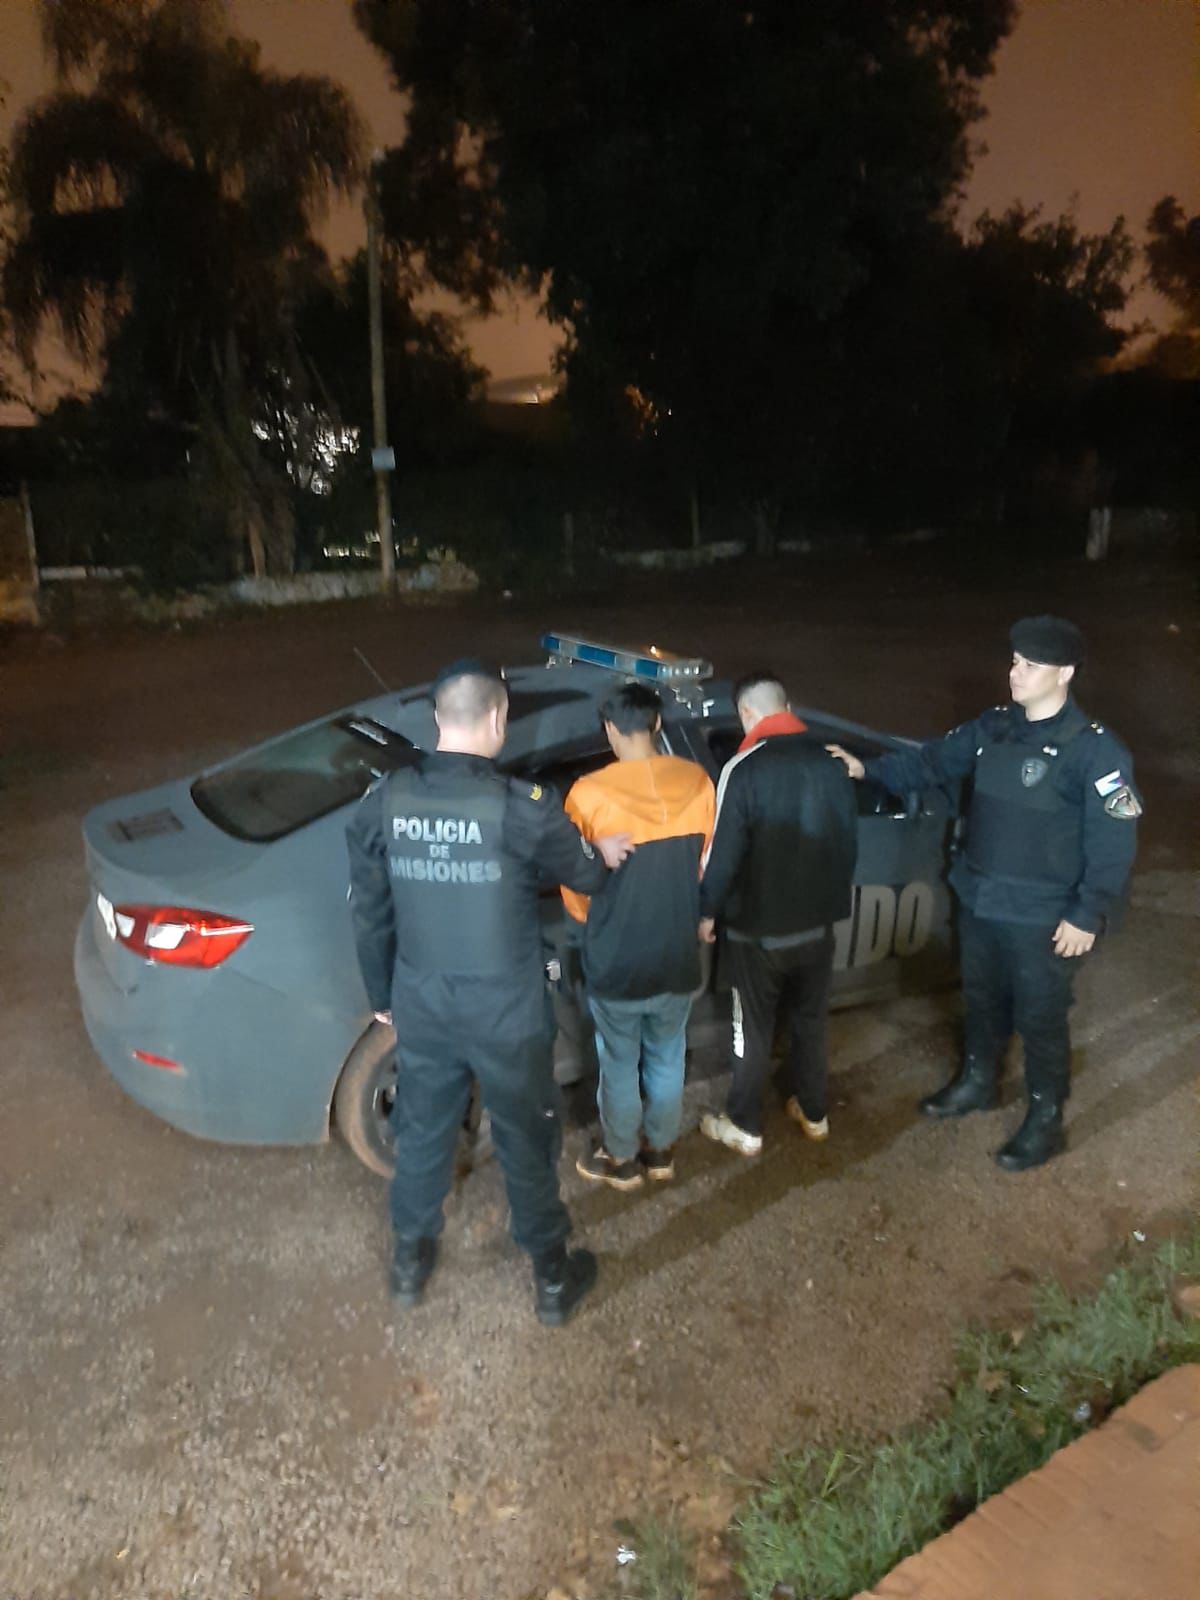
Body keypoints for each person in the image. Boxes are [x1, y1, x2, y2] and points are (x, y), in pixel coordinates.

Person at [345, 658, 632, 1325]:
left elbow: (369, 909)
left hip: (424, 1002)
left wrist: (382, 993)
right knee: (526, 1136)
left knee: (423, 1128)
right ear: (498, 718)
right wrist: (603, 852)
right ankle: (552, 1280)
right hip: (506, 1011)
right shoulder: (521, 808)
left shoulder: (387, 800)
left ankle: (410, 1262)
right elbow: (586, 876)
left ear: (437, 719)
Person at [828, 616, 1141, 1172]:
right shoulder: (993, 728)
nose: (1015, 673)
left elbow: (1114, 842)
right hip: (982, 899)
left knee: (1041, 1015)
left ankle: (1045, 1119)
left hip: (1043, 916)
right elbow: (931, 762)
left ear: (1065, 673)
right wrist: (866, 770)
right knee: (982, 998)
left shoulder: (1095, 752)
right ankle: (978, 1081)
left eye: (1031, 665)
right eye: (1015, 661)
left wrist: (1087, 912)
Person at [561, 683, 716, 1190]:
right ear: (657, 725)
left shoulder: (588, 794)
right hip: (676, 953)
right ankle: (661, 1151)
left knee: (620, 1063)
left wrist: (592, 919)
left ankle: (621, 1157)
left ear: (610, 729)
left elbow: (576, 888)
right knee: (668, 1055)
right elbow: (705, 865)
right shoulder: (696, 782)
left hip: (617, 958)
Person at [697, 672, 858, 1157]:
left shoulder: (744, 768)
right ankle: (814, 1112)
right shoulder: (831, 763)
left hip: (758, 933)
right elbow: (847, 843)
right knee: (810, 1021)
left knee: (753, 1029)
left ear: (747, 713)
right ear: (787, 706)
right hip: (818, 927)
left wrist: (708, 912)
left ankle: (744, 1124)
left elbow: (723, 855)